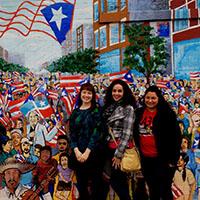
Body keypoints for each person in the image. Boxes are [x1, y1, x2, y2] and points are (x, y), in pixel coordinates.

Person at [133, 85, 182, 200]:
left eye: (153, 98)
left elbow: (176, 137)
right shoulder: (139, 113)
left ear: (159, 98)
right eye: (147, 98)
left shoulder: (167, 114)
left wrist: (173, 160)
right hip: (146, 159)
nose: (150, 101)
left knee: (165, 191)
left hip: (164, 160)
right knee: (152, 190)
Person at [102, 79, 136, 200]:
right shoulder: (108, 107)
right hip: (107, 149)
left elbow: (127, 133)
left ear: (125, 92)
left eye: (119, 91)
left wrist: (118, 154)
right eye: (114, 90)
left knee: (118, 183)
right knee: (109, 180)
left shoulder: (128, 108)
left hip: (118, 150)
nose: (116, 93)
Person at [69, 83, 103, 200]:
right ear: (80, 94)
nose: (86, 95)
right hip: (78, 155)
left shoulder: (97, 111)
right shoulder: (75, 113)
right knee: (82, 186)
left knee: (96, 186)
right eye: (84, 92)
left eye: (89, 93)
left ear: (93, 95)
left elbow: (96, 133)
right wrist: (77, 152)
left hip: (93, 154)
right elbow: (72, 134)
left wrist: (87, 152)